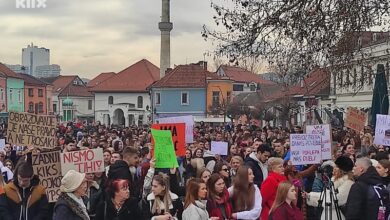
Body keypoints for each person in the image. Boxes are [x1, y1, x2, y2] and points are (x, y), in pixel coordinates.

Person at [305, 156, 354, 220]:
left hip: (337, 216)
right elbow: (325, 196)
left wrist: (312, 197)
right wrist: (309, 196)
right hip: (329, 215)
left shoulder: (348, 183)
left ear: (341, 169)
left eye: (336, 166)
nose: (334, 168)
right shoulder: (335, 181)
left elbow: (332, 201)